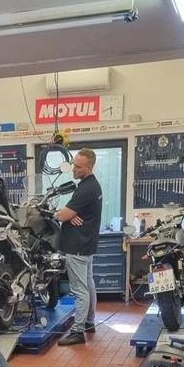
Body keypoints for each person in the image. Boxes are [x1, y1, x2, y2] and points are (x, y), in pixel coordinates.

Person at [54, 148, 102, 346]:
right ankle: (89, 322)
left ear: (88, 168)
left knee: (79, 289)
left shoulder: (86, 189)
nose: (73, 169)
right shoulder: (92, 185)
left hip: (77, 246)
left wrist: (60, 215)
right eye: (74, 164)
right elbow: (70, 213)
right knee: (88, 285)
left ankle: (78, 331)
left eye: (78, 166)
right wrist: (69, 214)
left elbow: (63, 215)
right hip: (86, 244)